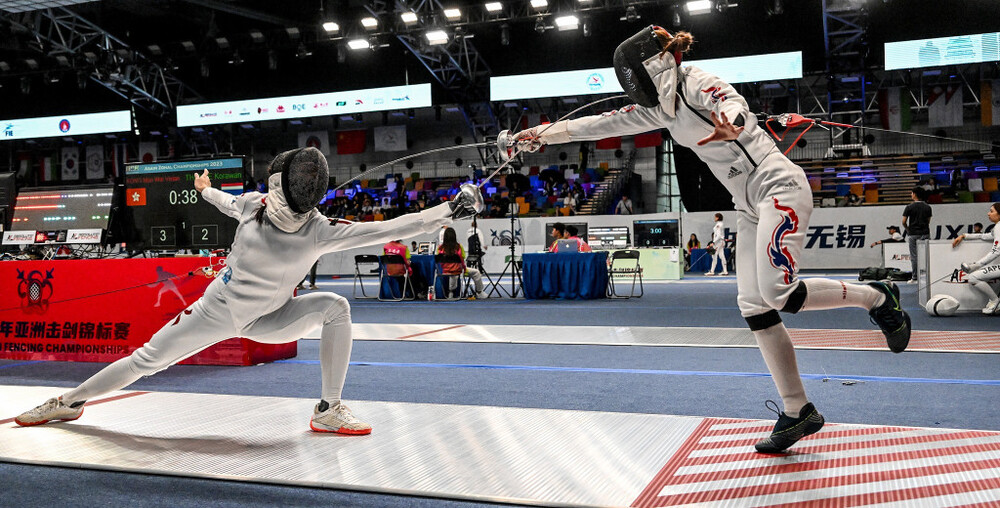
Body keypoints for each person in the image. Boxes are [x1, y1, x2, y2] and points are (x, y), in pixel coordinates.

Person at [510, 25, 910, 453]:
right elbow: (596, 123)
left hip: (779, 187)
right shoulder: (659, 111)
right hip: (748, 204)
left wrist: (732, 125)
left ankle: (877, 297)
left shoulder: (696, 82)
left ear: (656, 66)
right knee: (754, 306)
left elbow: (731, 102)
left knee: (779, 293)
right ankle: (798, 410)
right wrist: (537, 136)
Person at [14, 147, 484, 433]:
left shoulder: (314, 227)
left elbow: (387, 229)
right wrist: (205, 190)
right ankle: (67, 403)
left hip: (267, 319)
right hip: (214, 312)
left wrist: (448, 211)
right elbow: (226, 201)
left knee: (336, 306)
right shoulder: (260, 208)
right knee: (146, 361)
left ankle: (328, 408)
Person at [951, 202, 1000, 314]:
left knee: (973, 277)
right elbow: (983, 236)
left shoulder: (999, 227)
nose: (988, 214)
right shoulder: (997, 228)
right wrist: (964, 236)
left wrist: (977, 265)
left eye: (992, 211)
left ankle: (995, 301)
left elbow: (996, 251)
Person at [437, 227, 487, 299]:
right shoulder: (458, 247)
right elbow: (462, 259)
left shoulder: (440, 248)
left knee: (453, 273)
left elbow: (438, 261)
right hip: (457, 270)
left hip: (443, 271)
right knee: (476, 272)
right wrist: (464, 269)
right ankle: (479, 292)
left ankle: (450, 292)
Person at [902, 187, 932, 283]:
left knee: (914, 256)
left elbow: (903, 221)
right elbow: (928, 221)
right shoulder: (928, 207)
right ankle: (927, 276)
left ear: (915, 194)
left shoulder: (909, 207)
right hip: (925, 233)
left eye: (911, 193)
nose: (911, 195)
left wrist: (908, 229)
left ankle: (915, 277)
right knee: (926, 255)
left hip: (914, 233)